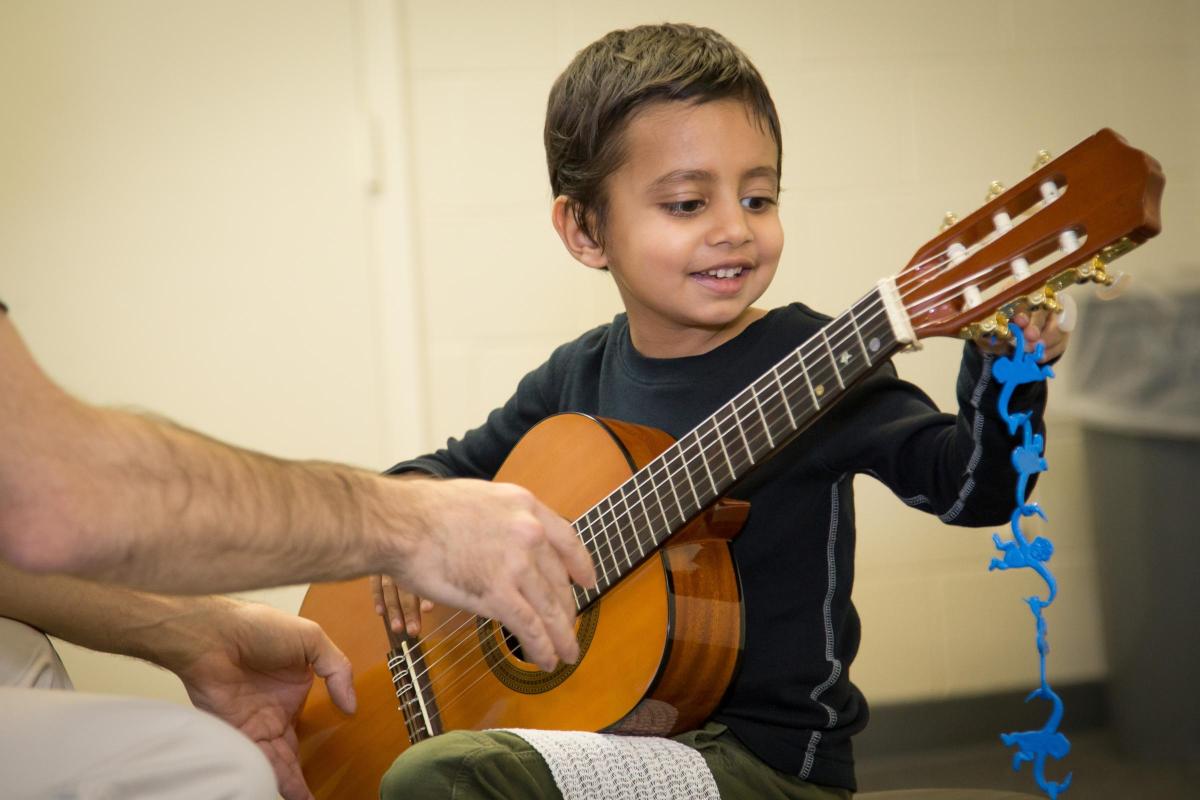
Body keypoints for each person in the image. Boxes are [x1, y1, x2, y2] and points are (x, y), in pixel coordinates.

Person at [375, 23, 1067, 800]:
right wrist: (402, 526)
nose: (734, 227)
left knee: (441, 781)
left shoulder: (812, 359)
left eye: (758, 196)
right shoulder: (579, 375)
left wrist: (1008, 371)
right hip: (610, 740)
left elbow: (975, 490)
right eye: (685, 202)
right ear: (584, 229)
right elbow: (441, 474)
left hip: (763, 764)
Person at [0, 298, 596, 799]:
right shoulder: (575, 373)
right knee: (209, 773)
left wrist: (196, 633)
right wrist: (406, 522)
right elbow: (46, 487)